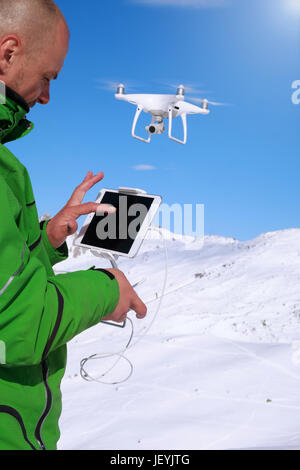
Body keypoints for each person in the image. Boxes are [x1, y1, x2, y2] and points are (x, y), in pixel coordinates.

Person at [0, 0, 147, 451]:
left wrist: (47, 239)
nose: (46, 96)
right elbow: (18, 327)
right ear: (9, 51)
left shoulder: (11, 168)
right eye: (48, 77)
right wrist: (107, 289)